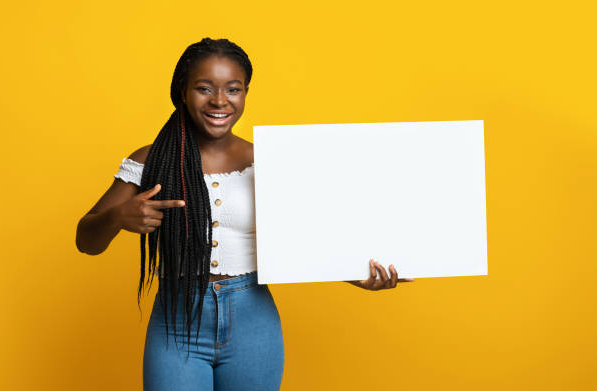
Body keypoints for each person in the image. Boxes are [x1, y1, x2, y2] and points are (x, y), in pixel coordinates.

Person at [75, 37, 414, 391]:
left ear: (245, 93)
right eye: (204, 88)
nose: (220, 101)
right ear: (182, 91)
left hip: (252, 320)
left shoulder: (266, 160)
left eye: (233, 89)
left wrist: (358, 276)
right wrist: (118, 217)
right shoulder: (152, 159)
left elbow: (305, 239)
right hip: (177, 322)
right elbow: (86, 240)